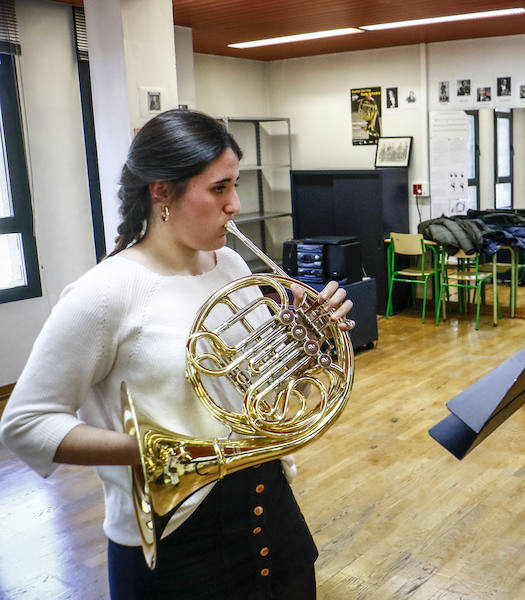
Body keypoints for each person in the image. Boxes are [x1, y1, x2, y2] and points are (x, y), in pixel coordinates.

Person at [0, 109, 355, 599]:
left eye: (234, 185)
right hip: (178, 541)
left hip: (271, 513)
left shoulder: (229, 264)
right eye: (218, 188)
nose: (234, 204)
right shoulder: (104, 294)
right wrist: (162, 453)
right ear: (161, 192)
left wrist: (310, 340)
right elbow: (25, 422)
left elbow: (252, 380)